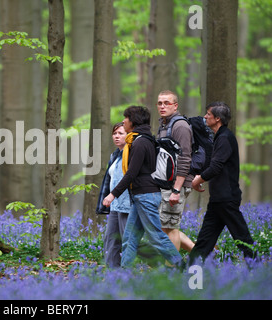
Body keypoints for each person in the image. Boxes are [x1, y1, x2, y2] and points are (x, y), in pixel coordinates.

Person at [103, 106, 184, 269]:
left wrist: (112, 195)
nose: (123, 121)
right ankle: (123, 273)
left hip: (146, 196)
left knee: (156, 237)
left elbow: (131, 173)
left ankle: (183, 267)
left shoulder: (140, 143)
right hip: (140, 196)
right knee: (130, 238)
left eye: (126, 118)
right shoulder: (141, 140)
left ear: (133, 121)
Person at [190, 102, 256, 265]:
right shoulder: (220, 137)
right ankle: (192, 282)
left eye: (208, 114)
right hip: (218, 200)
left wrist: (198, 179)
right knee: (204, 243)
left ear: (217, 119)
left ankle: (259, 274)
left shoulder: (225, 138)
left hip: (227, 199)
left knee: (242, 239)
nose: (205, 117)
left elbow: (216, 167)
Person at [156, 90, 195, 252]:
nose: (163, 106)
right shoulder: (164, 125)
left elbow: (185, 158)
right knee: (166, 225)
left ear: (175, 105)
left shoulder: (180, 126)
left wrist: (176, 189)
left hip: (175, 185)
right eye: (160, 103)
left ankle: (171, 268)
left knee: (169, 227)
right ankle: (204, 255)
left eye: (167, 103)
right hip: (166, 184)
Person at [96, 123, 131, 268]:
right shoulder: (115, 155)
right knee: (110, 239)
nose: (117, 136)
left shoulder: (132, 154)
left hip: (128, 204)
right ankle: (112, 273)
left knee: (127, 239)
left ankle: (130, 272)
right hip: (115, 205)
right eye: (115, 133)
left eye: (121, 133)